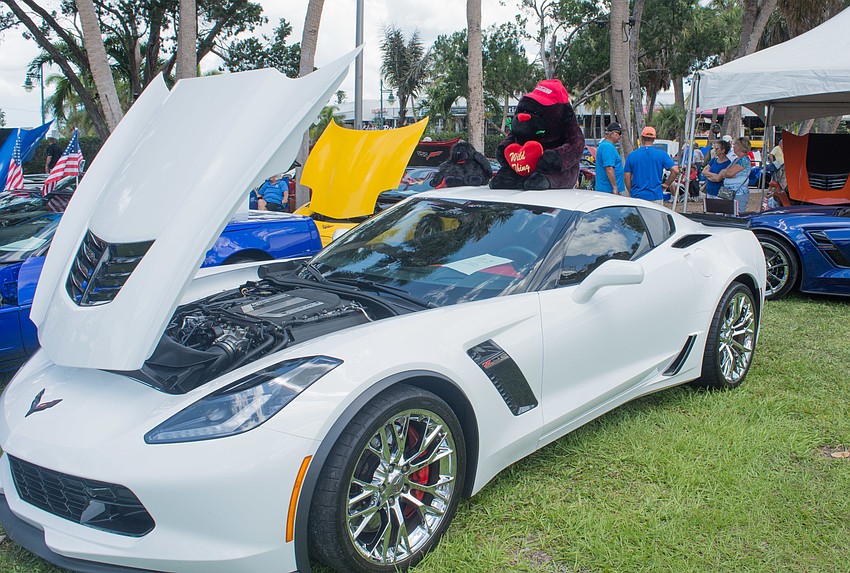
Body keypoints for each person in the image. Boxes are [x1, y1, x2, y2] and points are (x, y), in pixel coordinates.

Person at [624, 126, 678, 203]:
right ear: (654, 139)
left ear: (642, 138)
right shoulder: (662, 154)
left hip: (637, 196)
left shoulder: (632, 155)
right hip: (655, 195)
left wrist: (631, 191)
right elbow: (675, 171)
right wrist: (666, 184)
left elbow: (626, 177)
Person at [717, 137, 753, 213]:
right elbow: (726, 172)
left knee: (737, 214)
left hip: (738, 193)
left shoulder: (744, 160)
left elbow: (729, 172)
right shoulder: (736, 159)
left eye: (735, 145)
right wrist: (726, 173)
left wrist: (726, 173)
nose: (733, 146)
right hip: (730, 193)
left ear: (740, 147)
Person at [594, 122, 625, 194]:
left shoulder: (607, 146)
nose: (620, 136)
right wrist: (614, 187)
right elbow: (609, 168)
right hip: (608, 190)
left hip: (608, 190)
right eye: (619, 133)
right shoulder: (607, 147)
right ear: (612, 134)